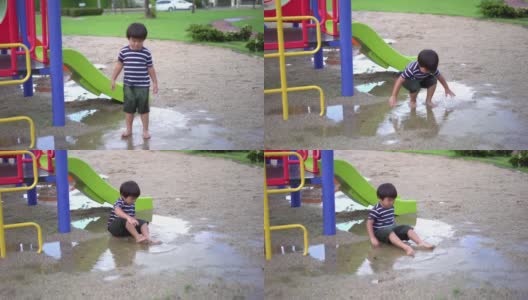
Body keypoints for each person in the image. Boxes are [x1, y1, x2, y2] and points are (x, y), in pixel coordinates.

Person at [111, 22, 158, 139]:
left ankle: (145, 130)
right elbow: (119, 65)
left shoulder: (146, 53)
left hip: (143, 86)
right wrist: (113, 79)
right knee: (129, 109)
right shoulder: (124, 52)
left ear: (144, 40)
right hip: (128, 86)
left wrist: (155, 82)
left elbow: (150, 68)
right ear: (128, 38)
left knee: (144, 110)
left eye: (140, 41)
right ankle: (129, 130)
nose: (137, 44)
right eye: (133, 41)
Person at [367, 183, 434, 256]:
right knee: (389, 232)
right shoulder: (376, 210)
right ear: (380, 199)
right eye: (389, 200)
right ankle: (406, 248)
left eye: (393, 200)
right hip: (380, 232)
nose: (392, 202)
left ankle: (420, 242)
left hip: (391, 229)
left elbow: (390, 218)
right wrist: (372, 238)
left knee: (407, 228)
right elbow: (369, 223)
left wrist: (397, 229)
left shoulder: (391, 206)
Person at [389, 49, 455, 108]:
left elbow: (440, 77)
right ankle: (413, 101)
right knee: (415, 86)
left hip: (421, 79)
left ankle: (428, 101)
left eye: (430, 70)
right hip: (408, 80)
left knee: (433, 80)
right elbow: (400, 80)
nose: (428, 71)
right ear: (419, 64)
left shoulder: (431, 68)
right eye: (426, 70)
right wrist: (394, 96)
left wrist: (446, 88)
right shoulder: (412, 69)